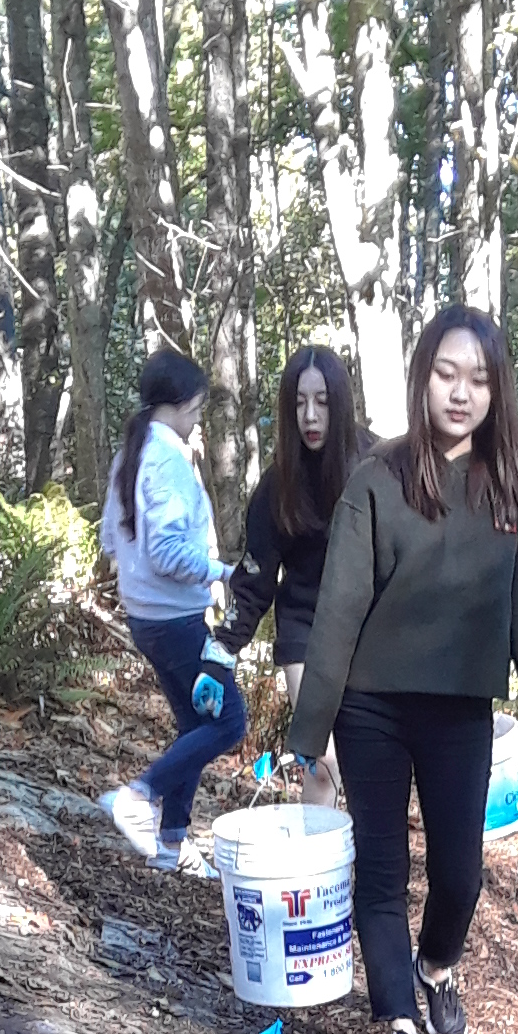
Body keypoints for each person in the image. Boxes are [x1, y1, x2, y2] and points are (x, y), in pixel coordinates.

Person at [285, 305, 518, 1034]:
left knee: (460, 876)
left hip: (460, 711)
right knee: (381, 874)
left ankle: (436, 966)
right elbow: (338, 610)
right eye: (446, 374)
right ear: (423, 379)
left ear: (496, 391)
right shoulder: (377, 479)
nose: (460, 392)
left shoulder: (515, 490)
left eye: (477, 380)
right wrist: (309, 732)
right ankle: (399, 1029)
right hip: (371, 708)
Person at [98, 347, 245, 876]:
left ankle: (171, 845)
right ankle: (138, 796)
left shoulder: (133, 452)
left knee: (193, 725)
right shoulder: (166, 461)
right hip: (174, 621)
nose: (198, 420)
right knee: (229, 721)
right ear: (181, 404)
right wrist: (222, 572)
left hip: (146, 616)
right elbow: (166, 553)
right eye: (198, 409)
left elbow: (110, 539)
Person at [225, 345, 371, 809]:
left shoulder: (378, 465)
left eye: (322, 402)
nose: (310, 415)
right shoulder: (277, 486)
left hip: (371, 632)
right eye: (300, 403)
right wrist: (220, 648)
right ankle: (316, 854)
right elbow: (253, 580)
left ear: (339, 404)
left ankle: (363, 855)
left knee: (369, 765)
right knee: (322, 762)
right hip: (305, 631)